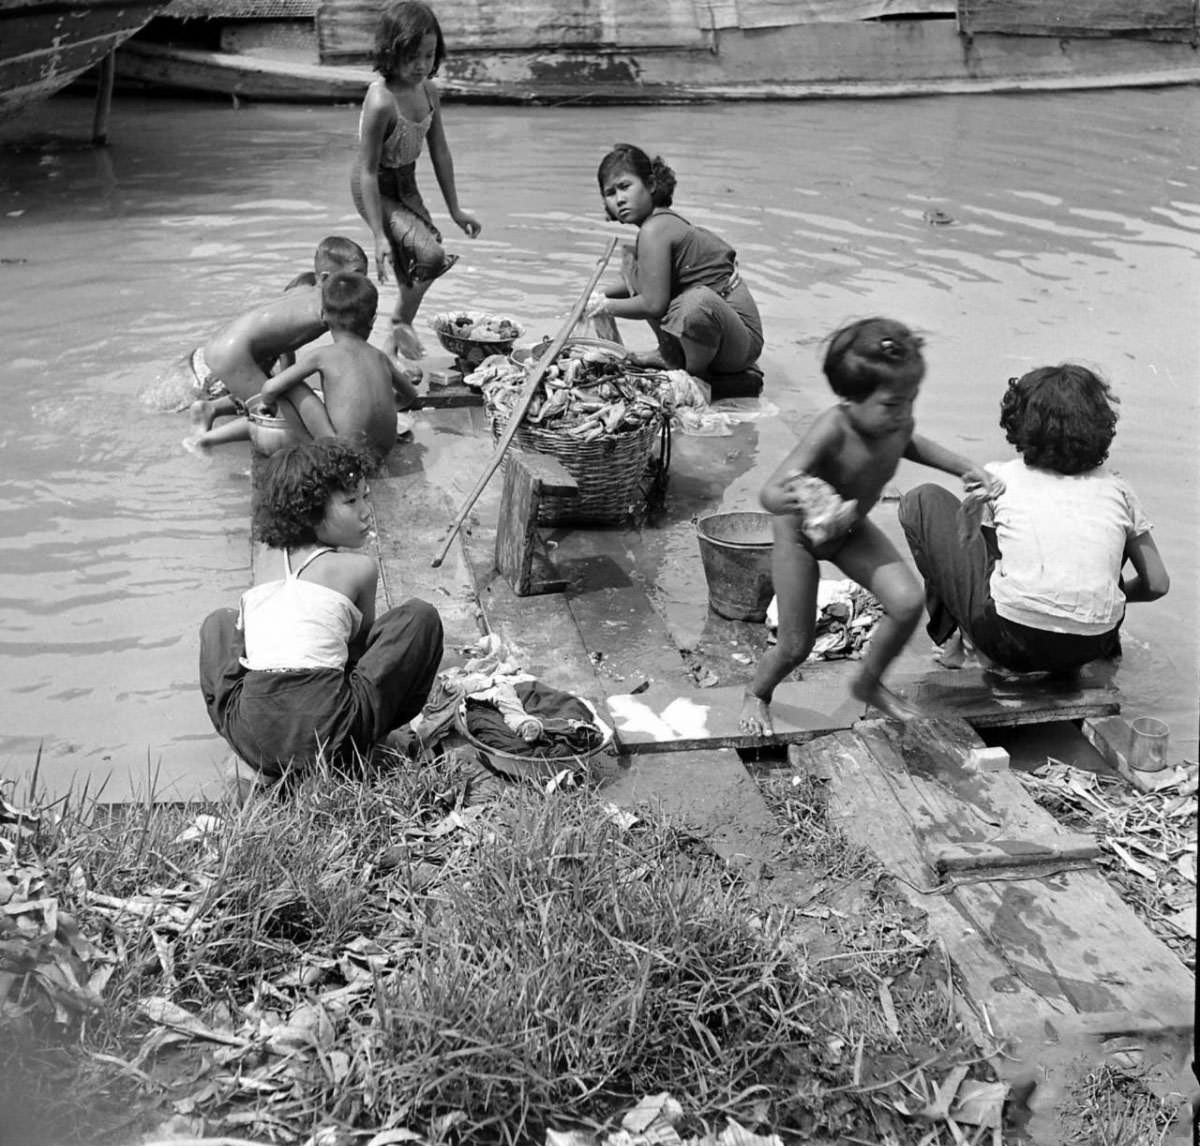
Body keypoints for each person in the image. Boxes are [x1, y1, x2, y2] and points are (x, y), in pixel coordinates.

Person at [739, 317, 997, 734]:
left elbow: (910, 442)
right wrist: (792, 497)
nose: (904, 415)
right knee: (795, 645)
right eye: (893, 405)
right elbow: (770, 493)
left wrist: (964, 466)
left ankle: (868, 681)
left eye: (911, 401)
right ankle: (757, 693)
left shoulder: (896, 422)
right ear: (850, 400)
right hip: (800, 539)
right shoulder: (833, 427)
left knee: (907, 602)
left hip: (850, 532)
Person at [898, 363, 1169, 678]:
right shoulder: (1118, 489)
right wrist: (1106, 598)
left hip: (1008, 642)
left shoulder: (999, 477)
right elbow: (1157, 584)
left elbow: (982, 560)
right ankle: (1085, 644)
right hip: (1093, 645)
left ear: (1019, 422)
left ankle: (956, 644)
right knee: (1101, 537)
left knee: (921, 500)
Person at [199, 439, 444, 783]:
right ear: (310, 510)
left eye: (365, 498)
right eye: (350, 501)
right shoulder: (357, 568)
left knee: (220, 623)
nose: (365, 511)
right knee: (419, 617)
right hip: (330, 737)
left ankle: (253, 762)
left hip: (252, 736)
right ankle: (369, 742)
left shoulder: (268, 561)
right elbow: (358, 658)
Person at [351, 0, 481, 362]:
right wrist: (378, 236)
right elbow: (367, 171)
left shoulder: (428, 90)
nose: (422, 65)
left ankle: (391, 344)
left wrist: (455, 209)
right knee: (429, 253)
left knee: (427, 259)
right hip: (374, 184)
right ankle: (396, 325)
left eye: (429, 55)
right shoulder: (381, 102)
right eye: (412, 57)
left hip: (404, 182)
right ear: (390, 53)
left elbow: (440, 150)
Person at [589, 143, 764, 400]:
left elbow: (652, 304)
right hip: (718, 333)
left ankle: (696, 378)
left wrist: (604, 306)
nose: (620, 199)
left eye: (625, 186)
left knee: (695, 303)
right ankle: (671, 354)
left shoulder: (656, 229)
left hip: (739, 343)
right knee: (631, 265)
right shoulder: (651, 229)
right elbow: (641, 282)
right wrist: (596, 297)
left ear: (650, 185)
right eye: (610, 193)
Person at [186, 271, 420, 460]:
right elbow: (410, 394)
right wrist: (384, 410)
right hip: (381, 453)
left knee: (291, 386)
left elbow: (269, 388)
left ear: (324, 316)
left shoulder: (322, 355)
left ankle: (306, 451)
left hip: (342, 455)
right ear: (373, 319)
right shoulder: (381, 357)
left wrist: (270, 403)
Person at [159, 236, 370, 432]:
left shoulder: (304, 288)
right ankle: (204, 441)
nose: (365, 284)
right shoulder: (331, 308)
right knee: (285, 422)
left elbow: (283, 341)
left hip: (222, 342)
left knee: (280, 398)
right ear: (325, 279)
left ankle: (211, 409)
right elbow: (350, 352)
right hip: (231, 353)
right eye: (358, 276)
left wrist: (286, 384)